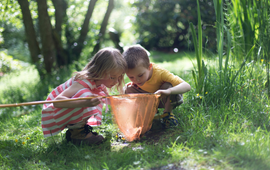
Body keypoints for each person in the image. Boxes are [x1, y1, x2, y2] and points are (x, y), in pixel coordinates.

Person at [41, 47, 127, 145]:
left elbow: (107, 99)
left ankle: (76, 131)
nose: (116, 82)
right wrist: (85, 102)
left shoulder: (99, 82)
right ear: (101, 71)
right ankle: (77, 134)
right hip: (52, 114)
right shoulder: (83, 82)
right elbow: (57, 102)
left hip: (62, 112)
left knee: (96, 97)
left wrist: (120, 102)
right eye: (112, 77)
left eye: (119, 77)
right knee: (87, 96)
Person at [123, 45, 191, 128]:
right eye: (131, 77)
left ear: (149, 67)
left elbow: (187, 86)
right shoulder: (137, 78)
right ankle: (147, 114)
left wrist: (168, 91)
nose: (136, 80)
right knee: (128, 89)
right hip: (149, 99)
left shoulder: (160, 73)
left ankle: (167, 114)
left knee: (168, 85)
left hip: (164, 98)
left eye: (140, 75)